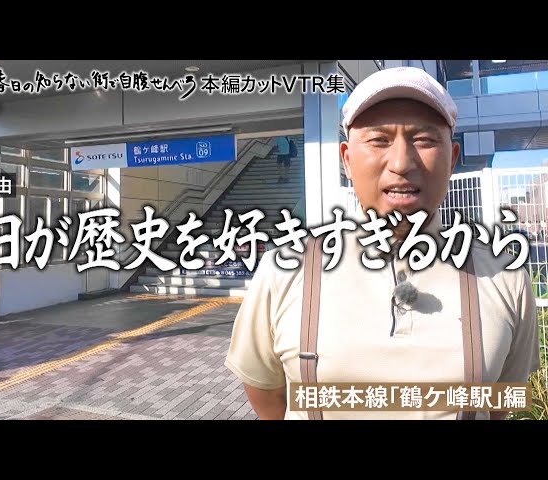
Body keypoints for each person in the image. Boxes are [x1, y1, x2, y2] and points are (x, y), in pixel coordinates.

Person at [224, 66, 541, 420]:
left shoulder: (505, 277)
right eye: (378, 140)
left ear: (451, 159)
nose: (401, 163)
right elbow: (266, 394)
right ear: (347, 160)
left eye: (424, 139)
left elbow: (498, 402)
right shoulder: (284, 270)